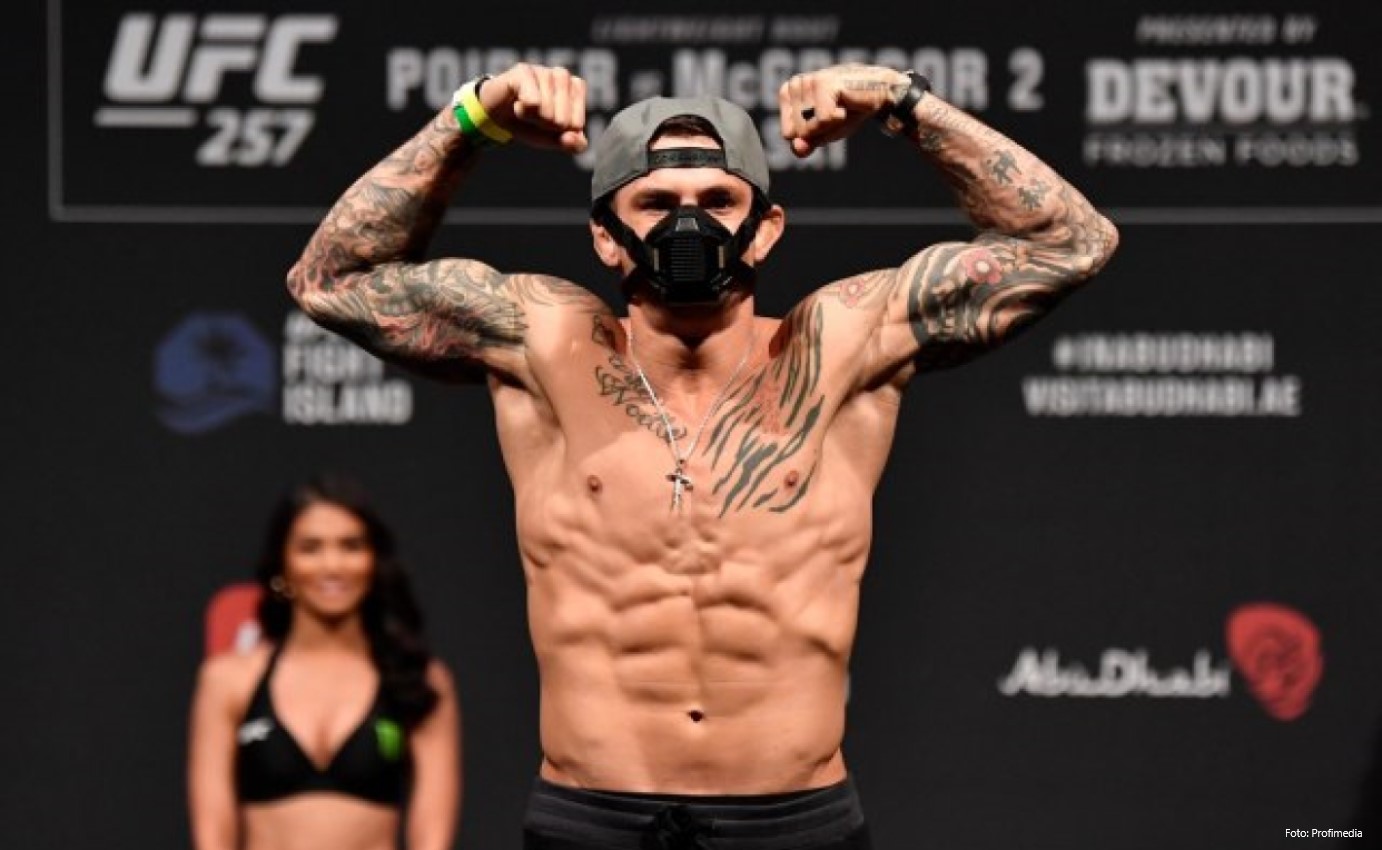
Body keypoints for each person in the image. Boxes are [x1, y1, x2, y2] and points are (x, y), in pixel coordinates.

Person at [285, 62, 1118, 849]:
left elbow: (1071, 243)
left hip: (794, 823)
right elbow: (330, 279)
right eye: (656, 202)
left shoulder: (841, 343)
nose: (691, 223)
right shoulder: (543, 342)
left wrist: (903, 103)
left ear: (766, 230)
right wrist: (472, 119)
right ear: (606, 237)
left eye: (719, 199)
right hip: (591, 820)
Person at [187, 474, 461, 850]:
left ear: (374, 561)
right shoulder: (228, 680)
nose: (332, 565)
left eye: (351, 546)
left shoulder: (417, 679)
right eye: (310, 548)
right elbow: (212, 833)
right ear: (282, 565)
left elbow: (432, 836)